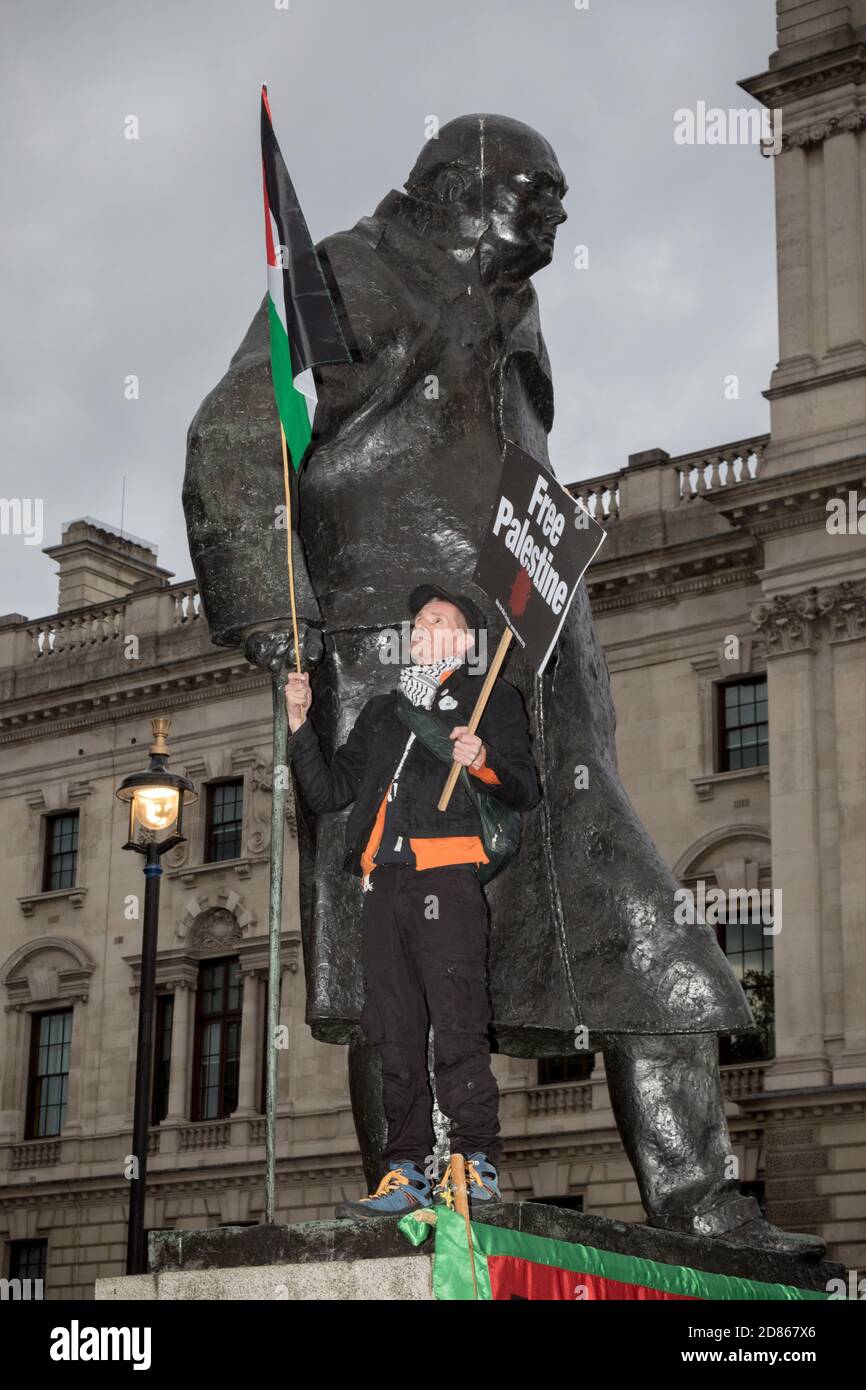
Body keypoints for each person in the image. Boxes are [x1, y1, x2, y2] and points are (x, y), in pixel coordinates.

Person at [285, 583, 539, 1217]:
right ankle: (405, 1172)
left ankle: (474, 1163)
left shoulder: (489, 699)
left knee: (457, 1021)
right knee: (391, 1034)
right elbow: (329, 791)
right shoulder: (382, 711)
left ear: (464, 639)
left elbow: (525, 787)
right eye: (418, 619)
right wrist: (298, 723)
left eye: (437, 619)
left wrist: (481, 759)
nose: (422, 626)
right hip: (383, 883)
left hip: (446, 877)